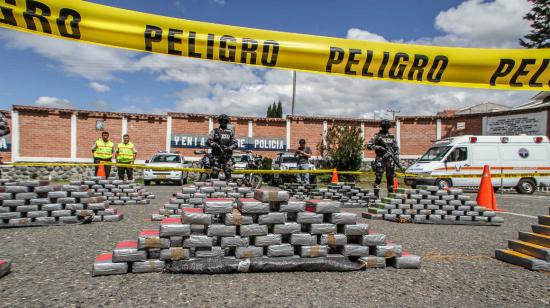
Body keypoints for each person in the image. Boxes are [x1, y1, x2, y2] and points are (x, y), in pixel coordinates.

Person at [367, 119, 400, 199]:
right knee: (378, 177)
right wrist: (380, 147)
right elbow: (369, 146)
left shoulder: (392, 136)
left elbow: (396, 148)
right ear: (381, 127)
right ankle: (376, 195)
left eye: (387, 126)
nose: (385, 128)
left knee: (390, 178)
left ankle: (390, 196)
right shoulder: (377, 136)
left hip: (390, 160)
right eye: (384, 126)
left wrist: (396, 158)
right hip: (380, 159)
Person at [206, 114, 238, 180]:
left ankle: (228, 189)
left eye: (225, 121)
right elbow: (208, 141)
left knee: (228, 173)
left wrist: (229, 148)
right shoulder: (215, 131)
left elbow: (235, 143)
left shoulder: (230, 132)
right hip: (216, 156)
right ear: (220, 122)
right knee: (215, 173)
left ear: (227, 122)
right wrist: (215, 145)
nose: (223, 122)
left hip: (227, 156)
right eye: (222, 121)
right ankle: (214, 188)